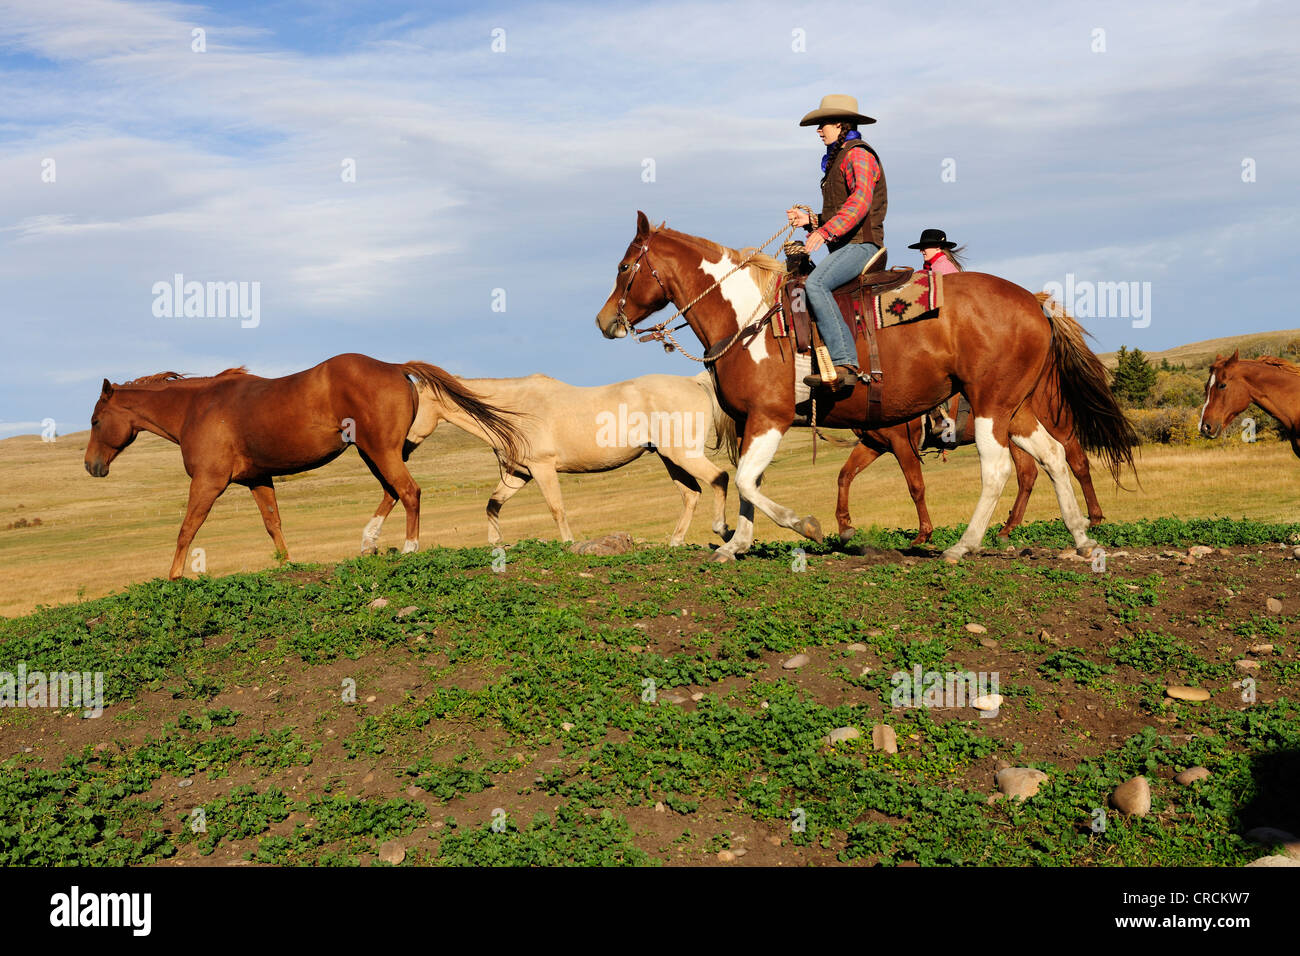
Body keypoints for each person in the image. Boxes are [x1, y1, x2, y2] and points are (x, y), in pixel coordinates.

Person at [786, 94, 887, 393]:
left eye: (823, 124)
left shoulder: (858, 154)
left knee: (815, 285)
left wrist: (823, 233)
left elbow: (859, 203)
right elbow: (839, 209)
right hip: (845, 244)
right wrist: (811, 221)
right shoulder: (839, 157)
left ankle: (845, 363)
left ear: (841, 124)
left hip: (861, 246)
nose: (818, 131)